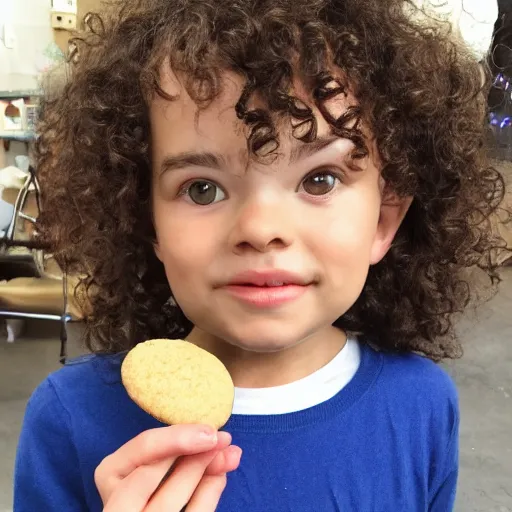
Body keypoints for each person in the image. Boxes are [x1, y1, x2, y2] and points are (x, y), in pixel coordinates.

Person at [13, 0, 509, 510]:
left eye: (320, 179)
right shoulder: (71, 419)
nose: (261, 230)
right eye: (202, 189)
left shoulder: (422, 406)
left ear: (383, 221)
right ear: (147, 222)